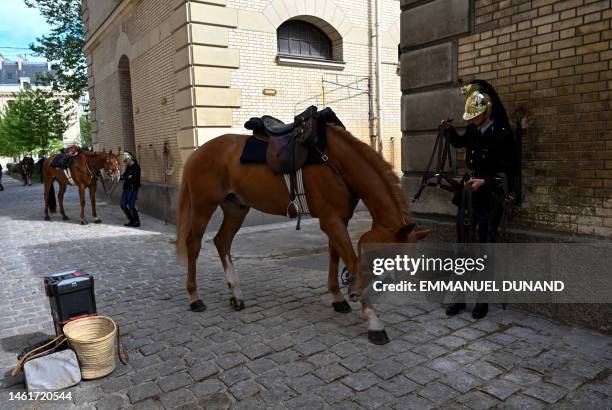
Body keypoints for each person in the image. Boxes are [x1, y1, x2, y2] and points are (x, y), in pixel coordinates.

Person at [440, 80, 517, 319]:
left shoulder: (502, 134)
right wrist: (448, 131)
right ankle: (460, 298)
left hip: (489, 198)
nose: (472, 121)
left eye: (476, 116)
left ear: (486, 112)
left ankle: (482, 301)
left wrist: (486, 181)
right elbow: (461, 142)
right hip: (468, 195)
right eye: (471, 117)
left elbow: (511, 170)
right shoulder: (474, 130)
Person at [120, 152, 141, 227]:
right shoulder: (128, 167)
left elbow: (133, 178)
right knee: (122, 205)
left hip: (133, 188)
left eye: (126, 160)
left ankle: (137, 221)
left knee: (131, 206)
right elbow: (124, 176)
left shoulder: (136, 167)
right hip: (126, 188)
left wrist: (127, 177)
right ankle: (131, 220)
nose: (125, 162)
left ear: (130, 159)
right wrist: (126, 177)